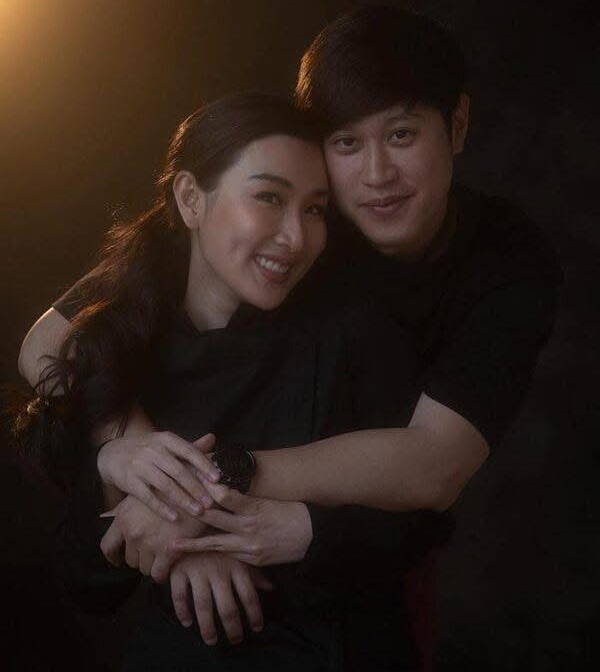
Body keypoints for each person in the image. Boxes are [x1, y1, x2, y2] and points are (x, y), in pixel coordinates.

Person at [18, 6, 561, 666]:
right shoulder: (292, 229)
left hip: (364, 550)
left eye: (401, 135)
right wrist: (136, 459)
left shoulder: (506, 261)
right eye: (346, 143)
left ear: (458, 126)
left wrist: (206, 495)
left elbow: (433, 467)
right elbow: (53, 339)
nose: (377, 175)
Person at [15, 91, 439, 671]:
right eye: (269, 197)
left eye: (315, 210)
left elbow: (417, 523)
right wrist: (123, 473)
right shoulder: (123, 349)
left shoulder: (349, 332)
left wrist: (225, 525)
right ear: (191, 199)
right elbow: (86, 583)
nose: (296, 237)